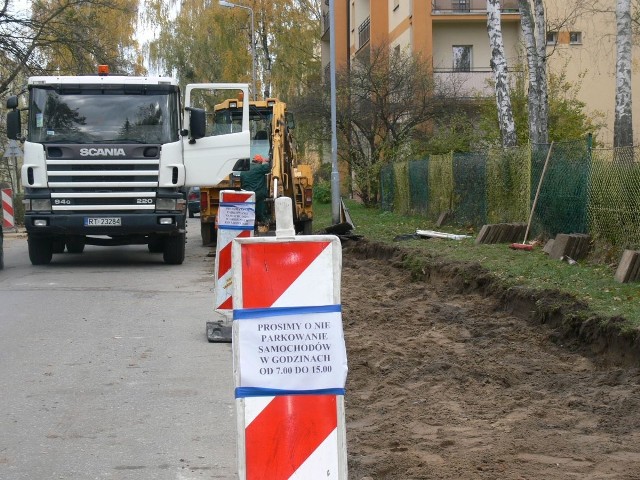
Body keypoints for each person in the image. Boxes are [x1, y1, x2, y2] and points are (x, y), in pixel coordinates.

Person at [240, 154, 271, 222]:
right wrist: (269, 160)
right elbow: (271, 167)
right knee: (260, 212)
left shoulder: (244, 169)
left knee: (248, 213)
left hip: (247, 194)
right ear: (259, 162)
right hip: (258, 194)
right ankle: (263, 222)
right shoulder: (260, 167)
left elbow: (242, 183)